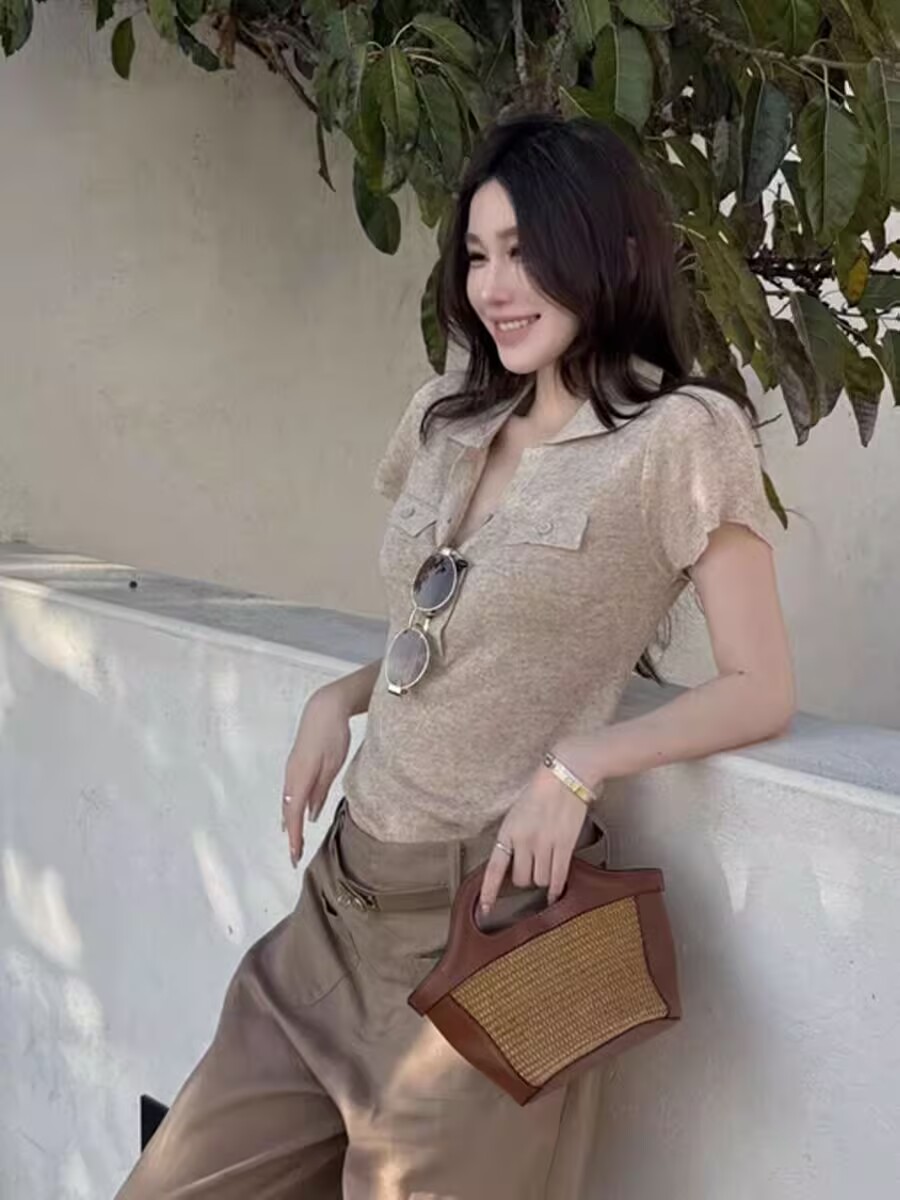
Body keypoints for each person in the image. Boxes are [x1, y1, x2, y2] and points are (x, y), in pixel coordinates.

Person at [116, 112, 795, 1199]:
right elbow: (447, 629)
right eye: (477, 255)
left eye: (525, 250)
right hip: (338, 906)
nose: (495, 287)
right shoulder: (446, 414)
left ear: (610, 250)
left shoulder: (681, 436)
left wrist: (580, 765)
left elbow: (762, 687)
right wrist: (345, 695)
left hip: (488, 937)